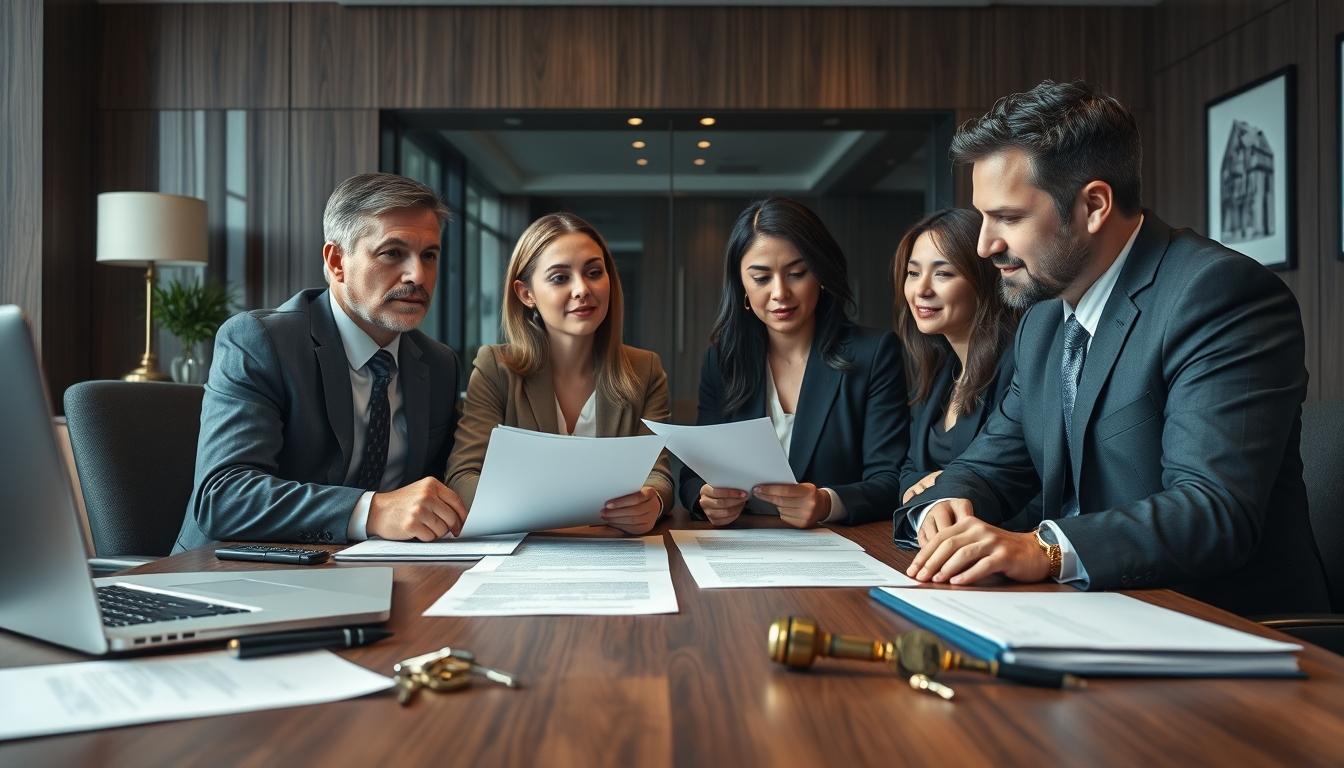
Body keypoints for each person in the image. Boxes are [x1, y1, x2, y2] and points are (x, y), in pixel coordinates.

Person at [900, 80, 1329, 616]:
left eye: (1008, 218)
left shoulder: (1220, 294)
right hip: (1087, 612)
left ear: (1094, 205)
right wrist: (946, 504)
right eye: (983, 217)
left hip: (1219, 624)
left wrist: (1043, 549)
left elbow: (1213, 510)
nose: (986, 244)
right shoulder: (1043, 321)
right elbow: (991, 464)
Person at [174, 172, 465, 551]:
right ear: (337, 261)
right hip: (237, 568)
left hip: (379, 567)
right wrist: (372, 510)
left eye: (429, 255)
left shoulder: (439, 364)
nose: (418, 275)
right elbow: (224, 497)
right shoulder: (261, 341)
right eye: (392, 253)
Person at [679, 197, 909, 528]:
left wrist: (826, 503)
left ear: (821, 273)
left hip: (837, 542)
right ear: (741, 284)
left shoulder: (873, 354)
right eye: (761, 278)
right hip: (740, 542)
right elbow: (694, 474)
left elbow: (890, 480)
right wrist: (706, 499)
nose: (780, 293)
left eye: (797, 273)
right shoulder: (723, 360)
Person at [446, 213, 672, 535]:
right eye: (559, 278)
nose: (582, 289)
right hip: (525, 552)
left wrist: (653, 502)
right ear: (526, 294)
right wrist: (546, 512)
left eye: (594, 273)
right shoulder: (495, 368)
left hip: (612, 549)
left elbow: (659, 474)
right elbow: (463, 477)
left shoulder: (644, 369)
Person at [893, 208, 1020, 512]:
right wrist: (926, 486)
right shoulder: (940, 368)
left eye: (943, 274)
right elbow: (907, 472)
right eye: (913, 273)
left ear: (983, 279)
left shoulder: (1015, 365)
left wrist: (946, 485)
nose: (922, 289)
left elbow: (1025, 484)